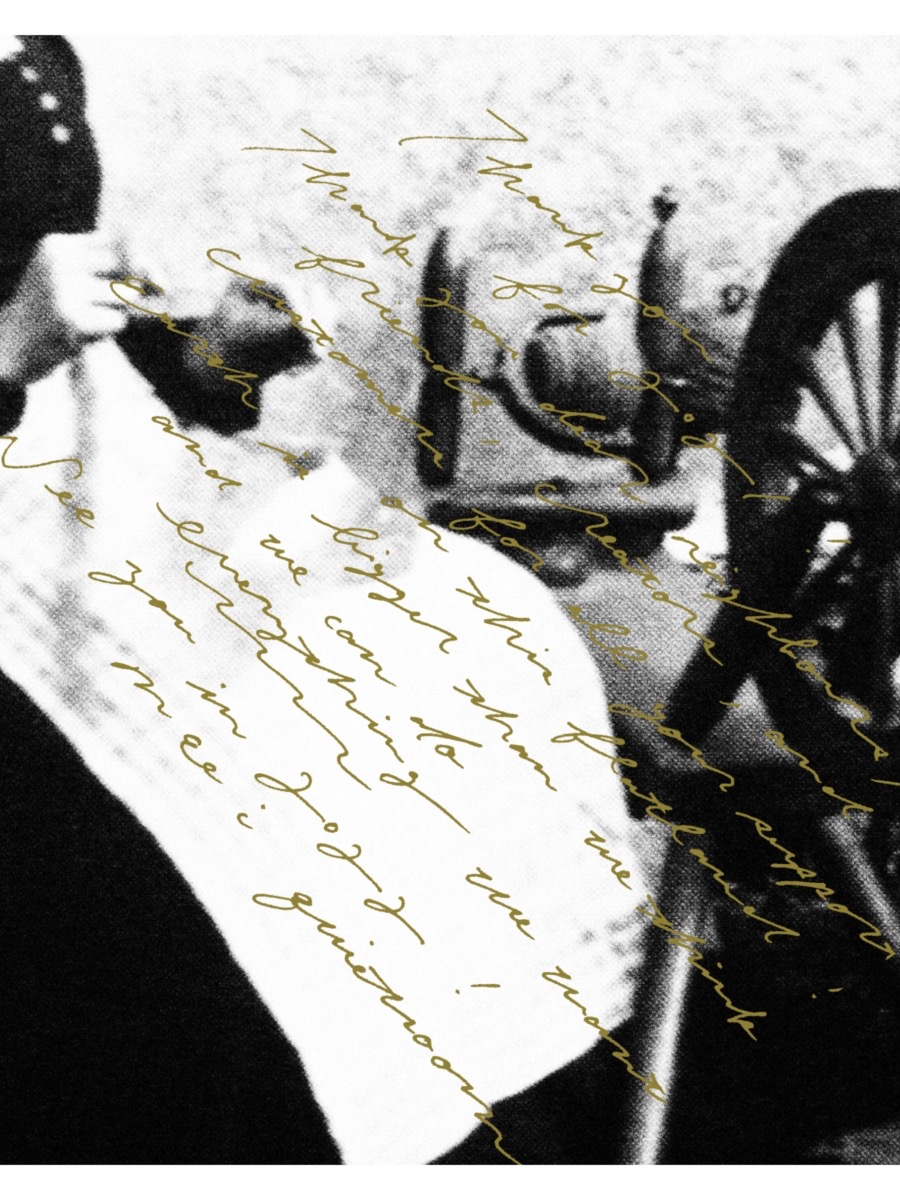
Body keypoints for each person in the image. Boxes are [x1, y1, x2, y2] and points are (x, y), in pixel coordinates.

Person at [0, 35, 649, 1166]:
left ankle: (531, 1098)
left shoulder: (35, 54)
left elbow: (97, 342)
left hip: (109, 491)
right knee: (239, 803)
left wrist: (211, 351)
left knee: (467, 633)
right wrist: (9, 345)